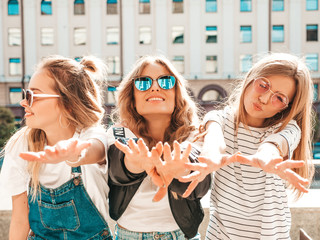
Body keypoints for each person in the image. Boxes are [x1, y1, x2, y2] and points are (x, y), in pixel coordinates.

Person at [179, 53, 314, 239]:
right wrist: (210, 157)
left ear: (287, 107)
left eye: (279, 98)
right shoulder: (219, 118)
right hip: (220, 235)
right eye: (263, 85)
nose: (265, 99)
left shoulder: (288, 128)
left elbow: (275, 144)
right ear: (250, 79)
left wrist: (265, 155)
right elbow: (214, 140)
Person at [0, 55, 113, 239]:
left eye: (32, 96)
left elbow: (95, 150)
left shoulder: (91, 135)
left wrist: (74, 154)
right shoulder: (20, 145)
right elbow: (20, 220)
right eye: (25, 94)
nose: (23, 102)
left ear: (67, 103)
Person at [106, 55, 211, 239]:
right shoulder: (119, 132)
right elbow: (116, 169)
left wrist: (181, 170)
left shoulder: (195, 134)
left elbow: (201, 186)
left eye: (165, 81)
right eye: (143, 82)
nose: (155, 87)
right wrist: (135, 163)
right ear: (132, 96)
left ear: (177, 92)